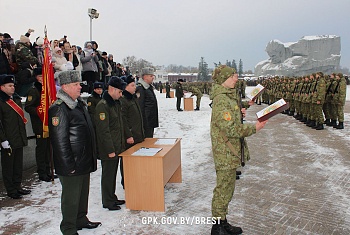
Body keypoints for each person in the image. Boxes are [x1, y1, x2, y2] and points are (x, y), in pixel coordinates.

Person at [209, 65, 267, 235]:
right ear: (224, 79)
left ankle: (222, 221)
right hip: (225, 150)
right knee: (223, 188)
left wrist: (241, 109)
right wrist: (254, 128)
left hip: (229, 149)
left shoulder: (228, 95)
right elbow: (230, 129)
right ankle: (217, 226)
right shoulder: (221, 99)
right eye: (233, 75)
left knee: (227, 188)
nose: (236, 78)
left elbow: (231, 113)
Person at [48, 70, 101, 234]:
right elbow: (59, 141)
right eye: (76, 84)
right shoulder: (59, 109)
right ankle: (69, 227)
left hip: (83, 160)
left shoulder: (78, 104)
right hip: (72, 163)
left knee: (82, 194)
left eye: (79, 84)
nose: (80, 87)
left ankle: (80, 219)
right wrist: (68, 165)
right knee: (71, 198)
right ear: (65, 86)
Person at [95, 76, 126, 211]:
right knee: (108, 175)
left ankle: (112, 197)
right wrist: (110, 149)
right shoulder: (103, 106)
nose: (121, 95)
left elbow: (118, 126)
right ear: (112, 89)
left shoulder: (115, 103)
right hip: (109, 148)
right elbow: (104, 131)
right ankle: (107, 201)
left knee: (113, 173)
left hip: (116, 145)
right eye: (119, 92)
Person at [0, 74, 30, 199]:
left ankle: (18, 186)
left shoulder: (16, 99)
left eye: (13, 85)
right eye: (10, 86)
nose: (13, 88)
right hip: (8, 139)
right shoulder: (1, 102)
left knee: (18, 165)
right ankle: (11, 190)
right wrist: (3, 140)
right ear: (2, 87)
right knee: (8, 167)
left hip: (18, 137)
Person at [25, 67, 54, 182]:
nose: (42, 79)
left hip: (48, 123)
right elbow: (28, 107)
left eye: (44, 76)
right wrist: (39, 111)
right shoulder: (34, 90)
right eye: (40, 76)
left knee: (48, 149)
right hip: (39, 124)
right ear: (36, 77)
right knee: (41, 149)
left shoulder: (46, 89)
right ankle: (42, 172)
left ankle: (48, 170)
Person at [136, 67, 159, 138]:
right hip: (146, 123)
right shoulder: (141, 88)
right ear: (145, 77)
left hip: (150, 121)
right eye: (151, 76)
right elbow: (140, 106)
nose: (153, 78)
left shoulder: (148, 87)